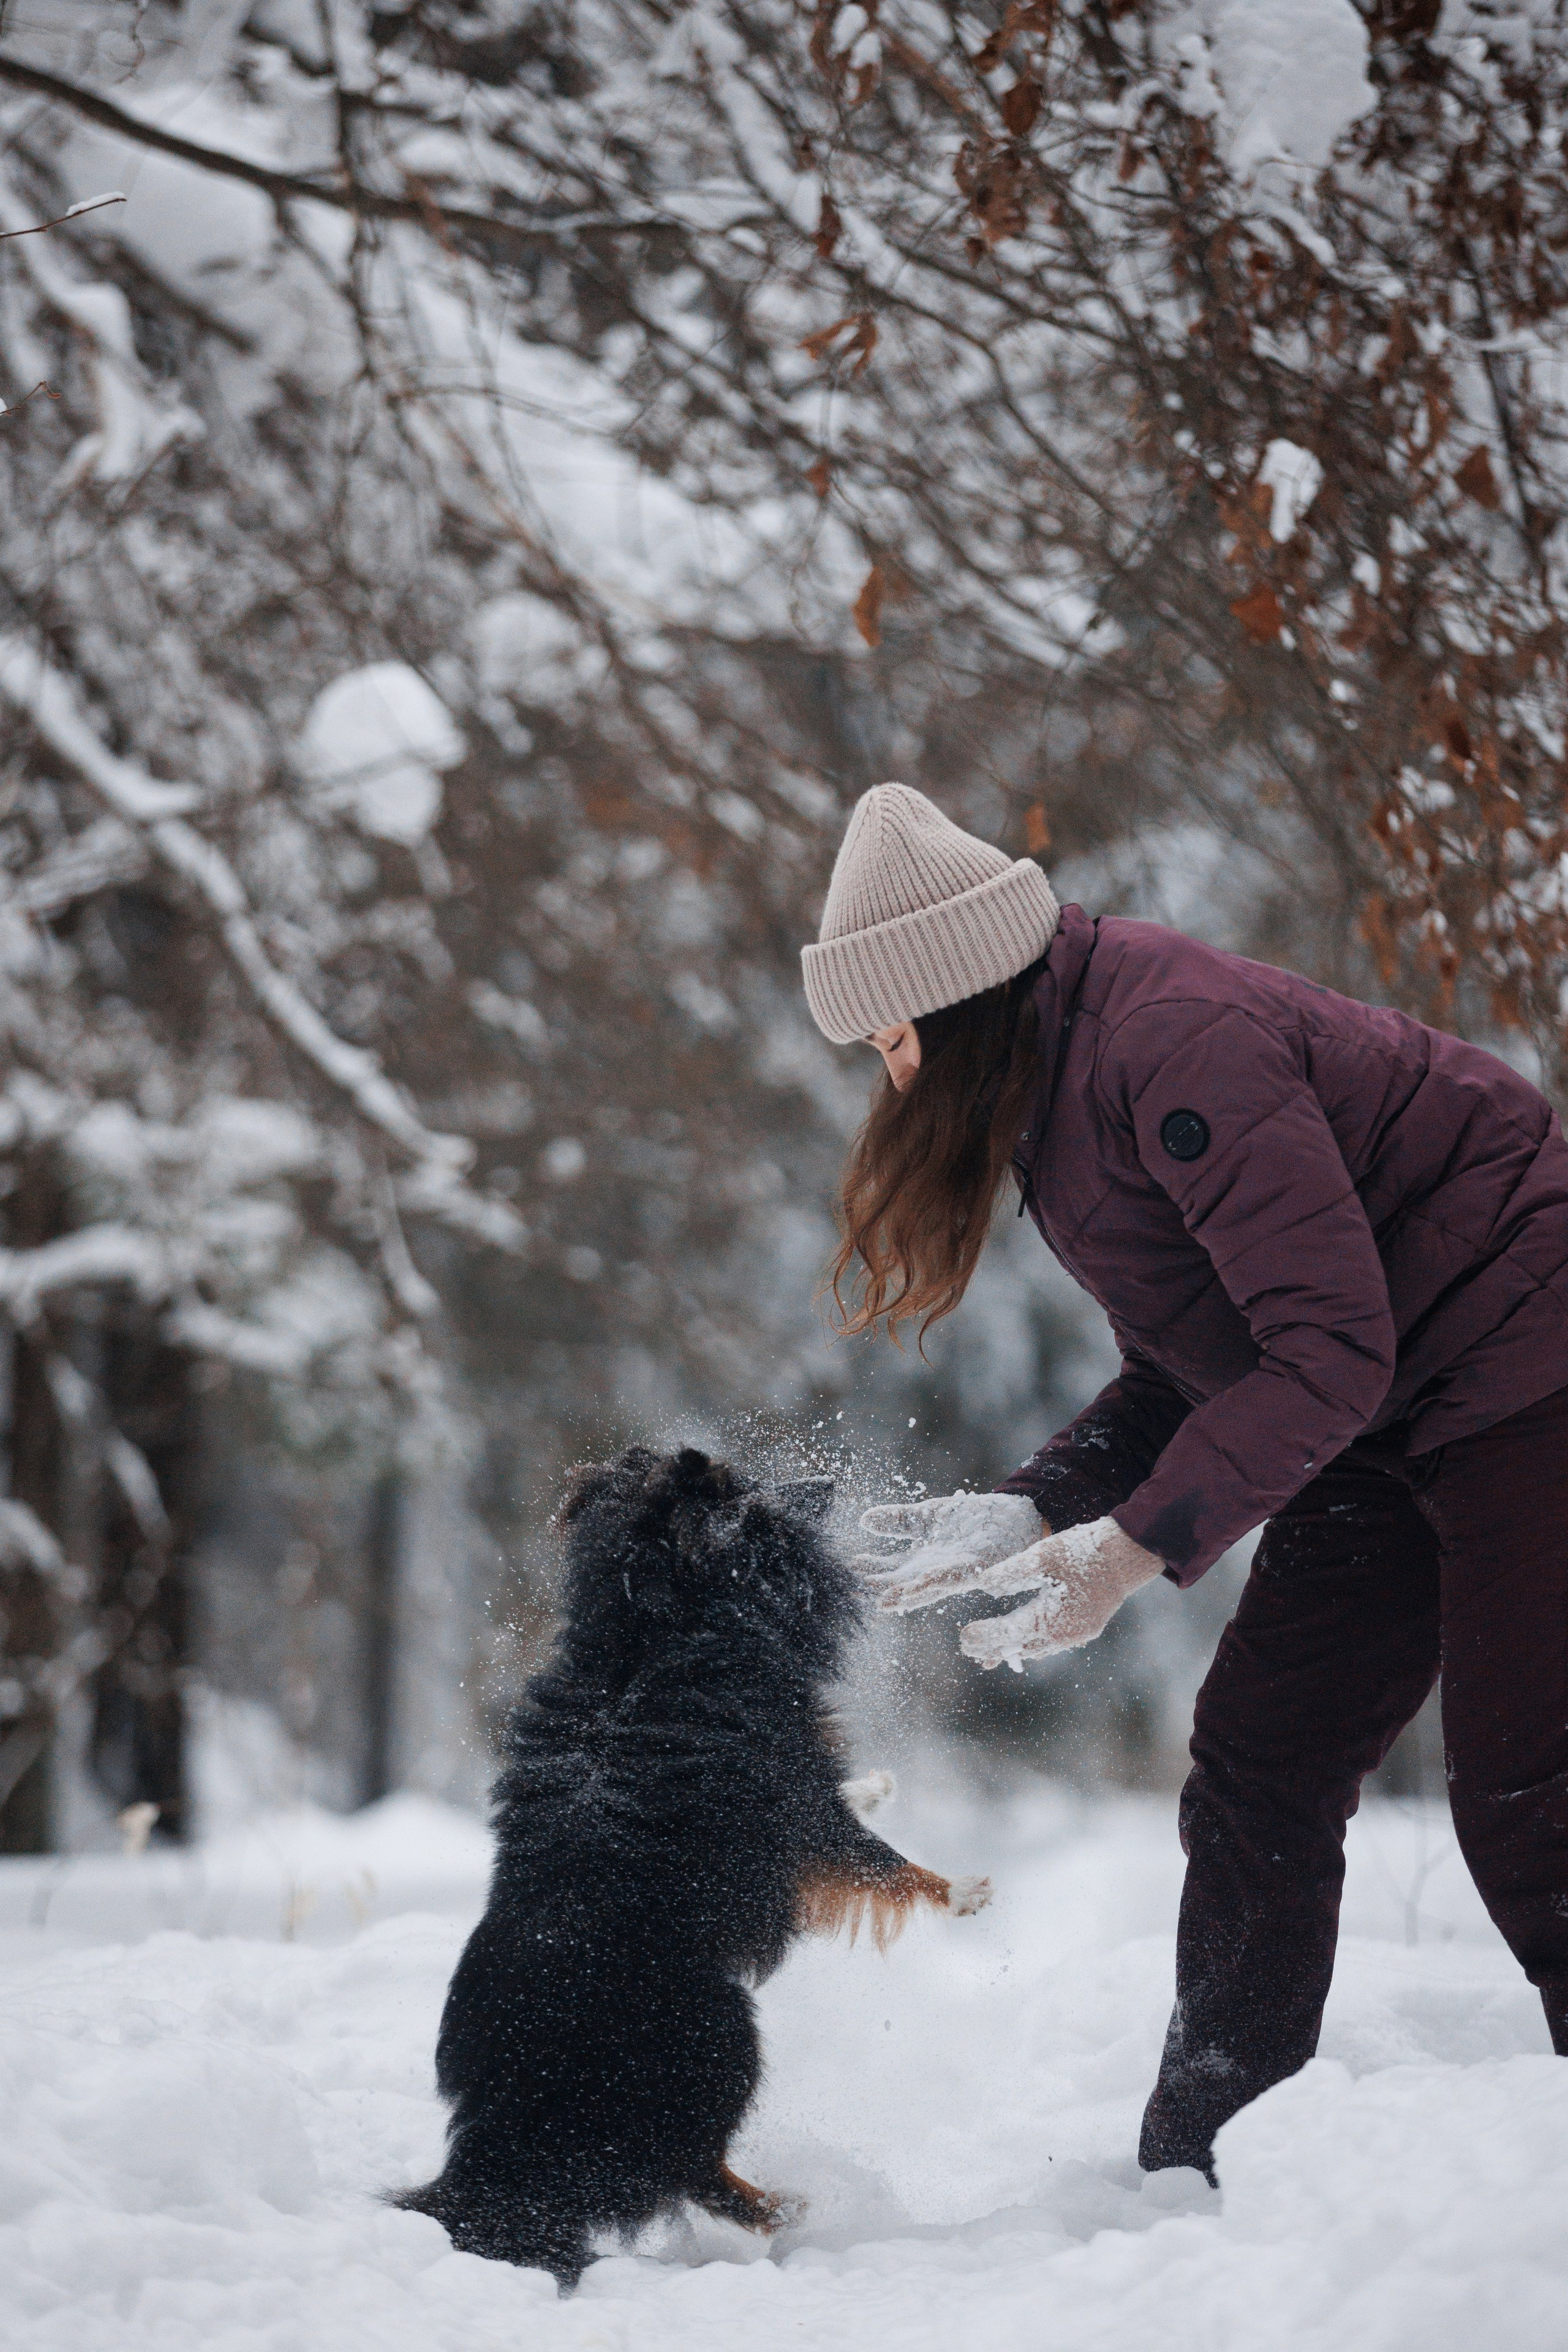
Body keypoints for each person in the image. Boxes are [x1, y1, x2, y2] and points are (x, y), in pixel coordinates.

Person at [801, 780, 1568, 2180]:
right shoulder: (1061, 1090)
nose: (891, 1076)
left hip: (1528, 1360)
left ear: (958, 996)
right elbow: (1201, 1368)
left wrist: (1126, 1553)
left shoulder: (1169, 1046)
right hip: (1383, 1406)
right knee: (1259, 1765)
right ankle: (1208, 2166)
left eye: (892, 1036)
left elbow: (1324, 1349)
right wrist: (1037, 1505)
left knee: (1532, 1798)